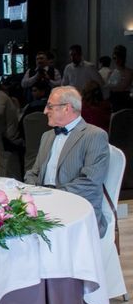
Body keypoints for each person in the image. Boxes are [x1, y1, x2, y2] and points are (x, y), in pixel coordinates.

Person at [24, 86, 109, 237]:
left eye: (50, 106)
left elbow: (90, 182)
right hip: (44, 205)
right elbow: (34, 172)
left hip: (77, 210)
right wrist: (32, 192)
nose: (44, 111)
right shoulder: (47, 136)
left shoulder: (95, 135)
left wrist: (53, 196)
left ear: (67, 108)